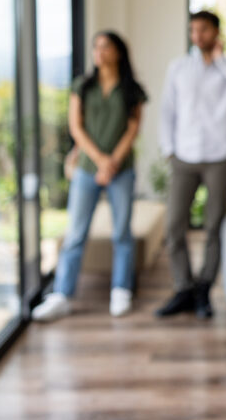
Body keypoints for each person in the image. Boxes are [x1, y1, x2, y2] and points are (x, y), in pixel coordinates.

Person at [32, 31, 147, 322]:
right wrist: (100, 161)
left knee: (122, 232)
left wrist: (112, 163)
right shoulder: (83, 85)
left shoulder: (132, 89)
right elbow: (76, 127)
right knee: (75, 233)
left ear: (118, 52)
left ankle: (121, 289)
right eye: (95, 47)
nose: (99, 52)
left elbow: (133, 130)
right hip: (86, 168)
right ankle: (62, 295)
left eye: (105, 47)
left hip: (122, 170)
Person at [156, 10, 226, 319]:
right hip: (184, 156)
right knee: (174, 225)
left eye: (203, 30)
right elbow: (167, 110)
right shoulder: (179, 68)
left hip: (219, 157)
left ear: (215, 33)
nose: (196, 35)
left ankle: (204, 291)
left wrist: (222, 59)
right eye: (192, 30)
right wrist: (169, 149)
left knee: (213, 227)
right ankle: (183, 287)